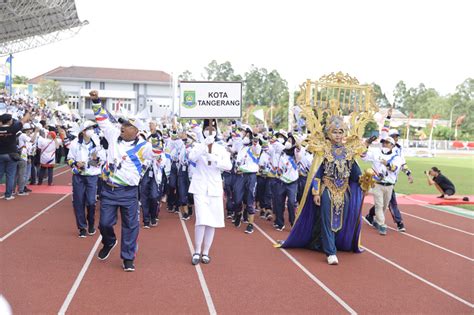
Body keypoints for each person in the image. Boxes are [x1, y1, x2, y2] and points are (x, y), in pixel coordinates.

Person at [279, 114, 369, 265]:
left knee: (340, 220)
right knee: (328, 220)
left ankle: (325, 243)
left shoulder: (349, 152)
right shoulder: (323, 151)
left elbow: (355, 175)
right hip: (327, 189)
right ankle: (331, 252)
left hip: (344, 191)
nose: (338, 135)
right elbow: (317, 174)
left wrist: (366, 180)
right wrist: (316, 192)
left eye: (341, 132)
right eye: (335, 132)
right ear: (329, 133)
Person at [90, 90, 155, 272]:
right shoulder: (111, 135)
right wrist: (96, 101)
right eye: (123, 124)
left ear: (136, 130)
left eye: (127, 125)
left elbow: (157, 153)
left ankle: (128, 258)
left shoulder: (144, 147)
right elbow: (102, 118)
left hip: (129, 193)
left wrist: (155, 134)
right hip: (109, 190)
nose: (123, 127)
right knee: (104, 223)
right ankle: (109, 241)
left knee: (130, 226)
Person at [188, 119, 232, 265]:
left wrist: (216, 160)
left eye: (212, 129)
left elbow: (229, 166)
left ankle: (206, 252)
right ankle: (196, 250)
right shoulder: (198, 146)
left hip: (214, 187)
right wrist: (204, 145)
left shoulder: (221, 148)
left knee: (212, 221)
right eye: (207, 129)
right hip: (200, 186)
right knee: (201, 219)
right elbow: (191, 157)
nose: (210, 131)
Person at [364, 109, 413, 232]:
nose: (394, 138)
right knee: (386, 204)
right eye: (393, 136)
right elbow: (385, 130)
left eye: (396, 136)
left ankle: (370, 216)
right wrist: (389, 117)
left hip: (391, 180)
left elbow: (402, 164)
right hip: (379, 182)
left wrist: (408, 173)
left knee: (383, 204)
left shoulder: (399, 151)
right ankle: (396, 223)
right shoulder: (380, 148)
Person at [67, 120, 105, 238]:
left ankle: (91, 223)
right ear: (83, 131)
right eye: (89, 128)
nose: (91, 131)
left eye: (93, 128)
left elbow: (101, 161)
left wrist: (95, 160)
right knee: (78, 202)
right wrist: (75, 163)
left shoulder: (97, 144)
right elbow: (69, 159)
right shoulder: (75, 143)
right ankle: (82, 227)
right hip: (78, 176)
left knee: (91, 202)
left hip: (92, 176)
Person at [362, 136, 404, 235]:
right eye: (383, 142)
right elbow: (363, 156)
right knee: (379, 205)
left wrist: (387, 164)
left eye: (387, 143)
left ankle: (375, 219)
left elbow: (394, 168)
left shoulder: (397, 157)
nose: (384, 144)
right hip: (377, 184)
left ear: (393, 145)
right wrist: (367, 144)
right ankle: (382, 225)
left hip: (389, 185)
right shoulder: (376, 153)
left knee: (384, 206)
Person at [0, 111, 31, 200]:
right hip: (11, 155)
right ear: (9, 121)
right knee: (10, 175)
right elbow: (23, 120)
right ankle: (8, 195)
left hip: (1, 154)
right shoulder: (12, 128)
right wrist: (29, 111)